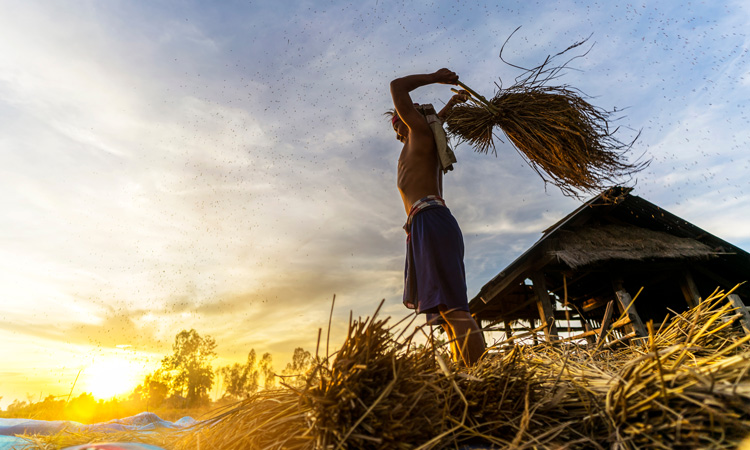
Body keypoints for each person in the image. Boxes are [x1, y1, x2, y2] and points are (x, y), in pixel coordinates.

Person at [389, 68, 485, 367]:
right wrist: (453, 105)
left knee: (455, 309)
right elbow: (438, 122)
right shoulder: (420, 139)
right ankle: (463, 377)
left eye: (405, 116)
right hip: (423, 224)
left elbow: (397, 86)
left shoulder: (420, 134)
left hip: (431, 219)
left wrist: (435, 77)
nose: (400, 122)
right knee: (445, 311)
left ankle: (481, 376)